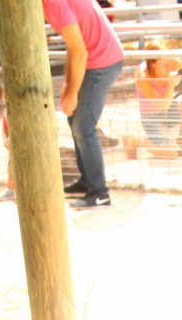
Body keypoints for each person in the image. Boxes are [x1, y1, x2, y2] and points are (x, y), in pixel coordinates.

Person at [46, 0, 125, 208]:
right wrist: (67, 83)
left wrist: (73, 94)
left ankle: (99, 193)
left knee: (84, 127)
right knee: (74, 121)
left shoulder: (53, 4)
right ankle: (87, 181)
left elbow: (79, 51)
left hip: (102, 62)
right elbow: (74, 43)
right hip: (94, 59)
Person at [128, 40, 182, 159]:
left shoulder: (175, 63)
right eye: (166, 65)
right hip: (152, 117)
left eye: (171, 62)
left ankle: (181, 140)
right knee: (170, 153)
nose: (170, 67)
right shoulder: (142, 75)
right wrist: (170, 85)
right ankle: (136, 140)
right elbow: (162, 106)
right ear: (153, 63)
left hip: (171, 108)